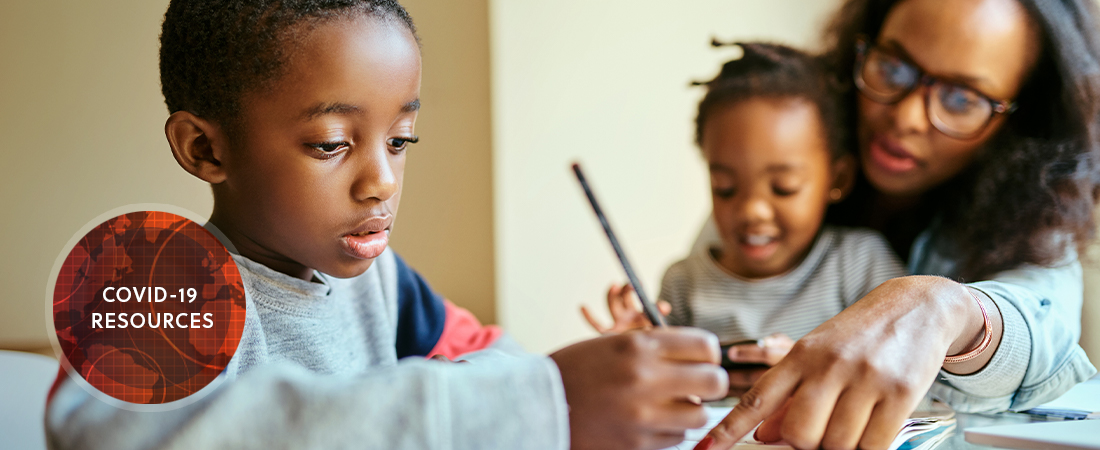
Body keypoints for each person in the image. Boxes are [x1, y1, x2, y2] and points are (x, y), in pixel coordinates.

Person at [45, 2, 729, 449]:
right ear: (206, 149)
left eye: (400, 140)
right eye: (330, 144)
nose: (382, 182)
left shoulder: (386, 287)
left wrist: (574, 382)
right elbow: (111, 432)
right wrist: (528, 405)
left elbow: (486, 355)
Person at [697, 0, 1100, 449]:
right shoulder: (780, 163)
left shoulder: (1039, 222)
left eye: (961, 98)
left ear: (1020, 122)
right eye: (893, 67)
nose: (904, 117)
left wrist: (949, 309)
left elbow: (1049, 342)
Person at [581, 43, 905, 389]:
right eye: (725, 188)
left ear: (837, 179)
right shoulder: (683, 285)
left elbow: (904, 367)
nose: (752, 210)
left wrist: (814, 371)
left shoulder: (859, 264)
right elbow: (663, 390)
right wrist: (636, 350)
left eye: (784, 187)